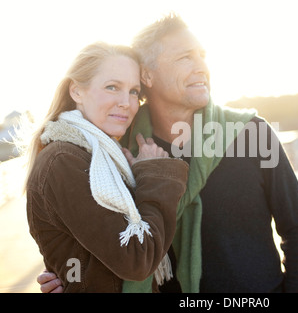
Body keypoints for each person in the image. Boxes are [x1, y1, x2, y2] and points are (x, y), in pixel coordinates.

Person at [39, 14, 298, 293]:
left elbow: (297, 228)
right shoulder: (118, 151)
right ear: (147, 75)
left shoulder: (251, 133)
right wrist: (68, 278)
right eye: (186, 57)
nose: (202, 67)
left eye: (202, 55)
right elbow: (93, 242)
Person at [24, 41, 189, 292]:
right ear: (77, 91)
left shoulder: (104, 157)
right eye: (112, 87)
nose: (126, 102)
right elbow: (136, 259)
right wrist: (154, 173)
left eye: (134, 91)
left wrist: (72, 276)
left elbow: (86, 258)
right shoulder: (63, 161)